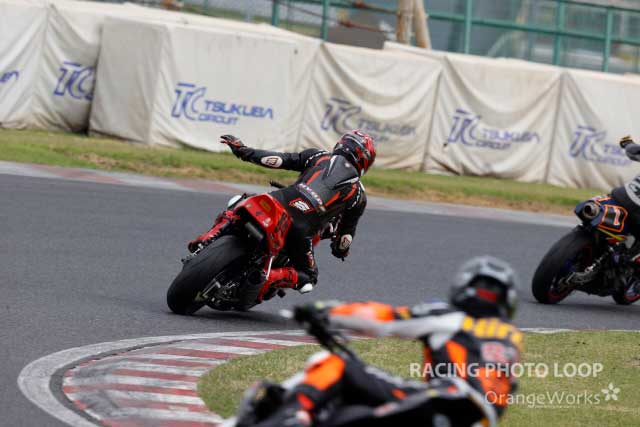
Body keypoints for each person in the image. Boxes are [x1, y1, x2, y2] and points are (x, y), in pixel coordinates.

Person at [232, 256, 522, 427]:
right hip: (477, 420)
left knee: (334, 364)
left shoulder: (452, 318)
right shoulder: (512, 338)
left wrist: (326, 312)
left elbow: (383, 319)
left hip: (446, 400)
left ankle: (289, 417)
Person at [215, 131, 376, 295]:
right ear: (366, 163)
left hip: (278, 200)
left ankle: (209, 238)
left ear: (340, 144)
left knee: (240, 202)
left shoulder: (318, 156)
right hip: (301, 228)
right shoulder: (358, 196)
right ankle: (265, 276)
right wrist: (341, 251)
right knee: (309, 277)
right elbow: (345, 237)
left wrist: (244, 151)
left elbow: (279, 160)